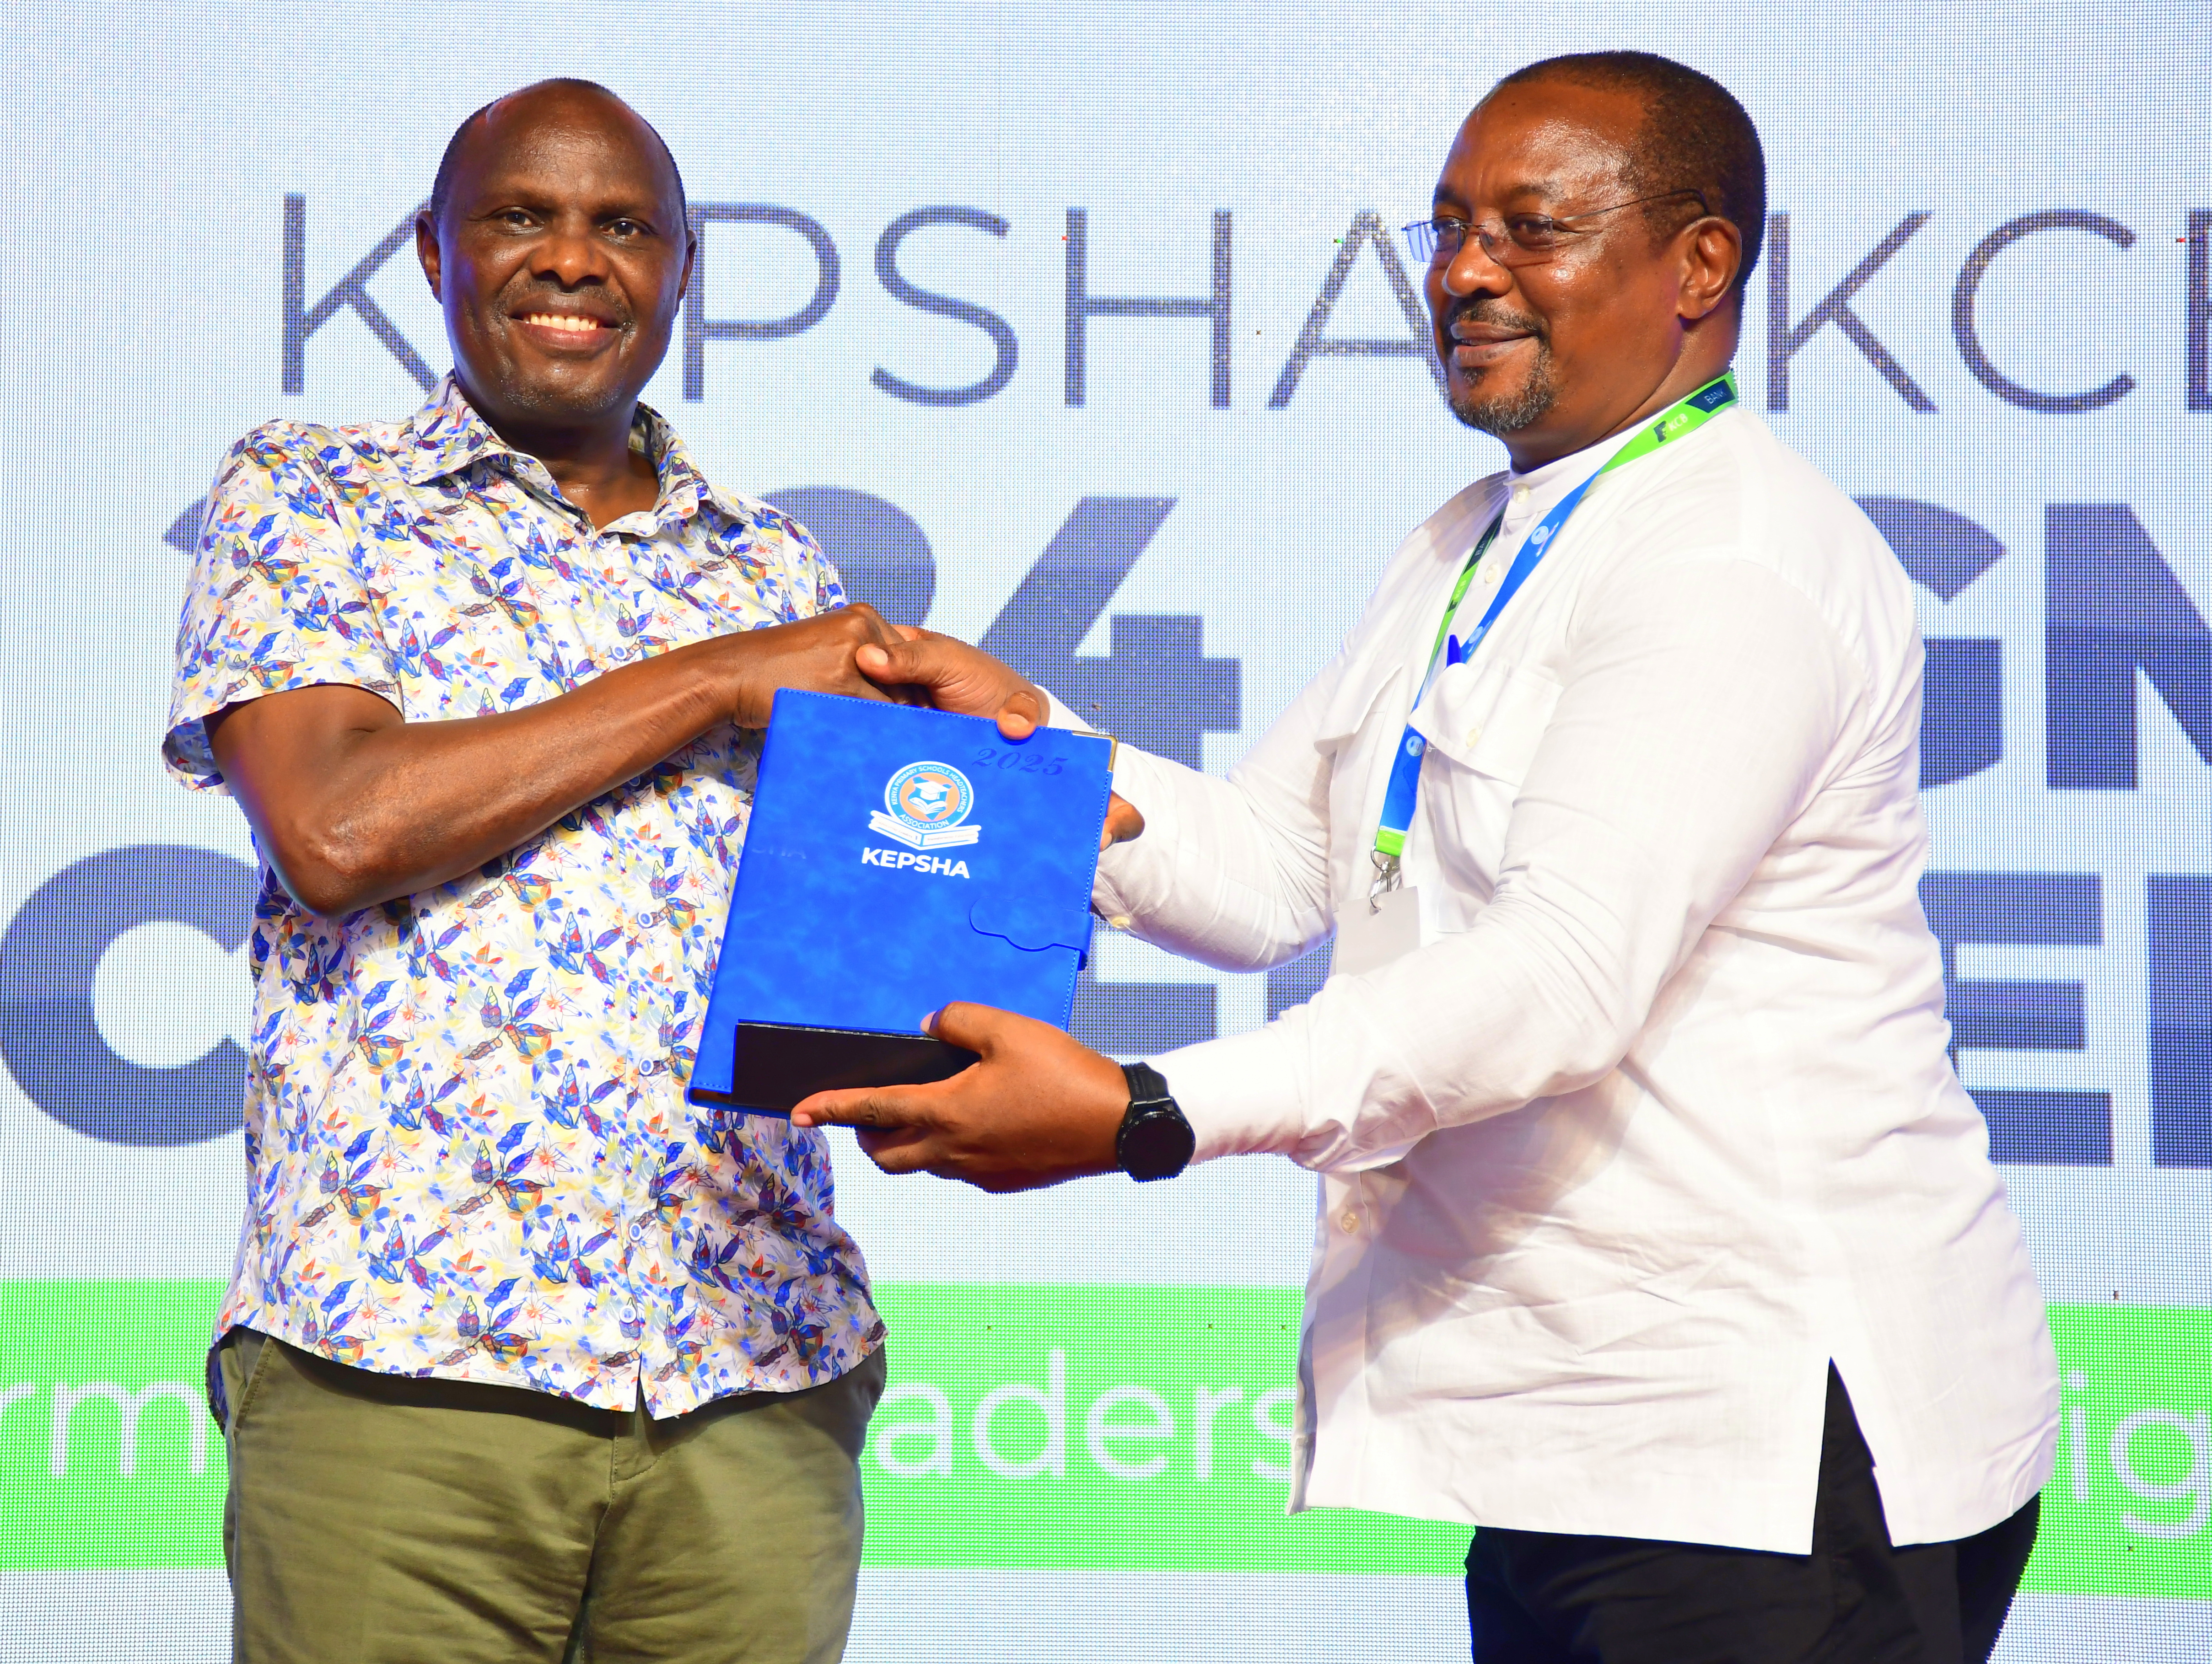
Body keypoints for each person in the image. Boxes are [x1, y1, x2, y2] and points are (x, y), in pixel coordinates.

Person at [796, 51, 2060, 1663]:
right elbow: (1275, 873)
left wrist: (1147, 1115)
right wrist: (1025, 750)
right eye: (1448, 228)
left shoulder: (1731, 555)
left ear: (1698, 266)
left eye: (1529, 228)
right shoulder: (1476, 530)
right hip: (1578, 1435)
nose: (1465, 272)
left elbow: (1558, 980)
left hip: (1761, 1451)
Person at [165, 79, 903, 1663]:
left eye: (622, 226)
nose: (574, 258)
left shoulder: (773, 567)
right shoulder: (311, 499)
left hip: (751, 1372)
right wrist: (714, 681)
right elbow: (339, 831)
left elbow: (866, 949)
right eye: (522, 216)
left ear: (681, 274)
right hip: (402, 1372)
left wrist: (1059, 859)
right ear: (432, 255)